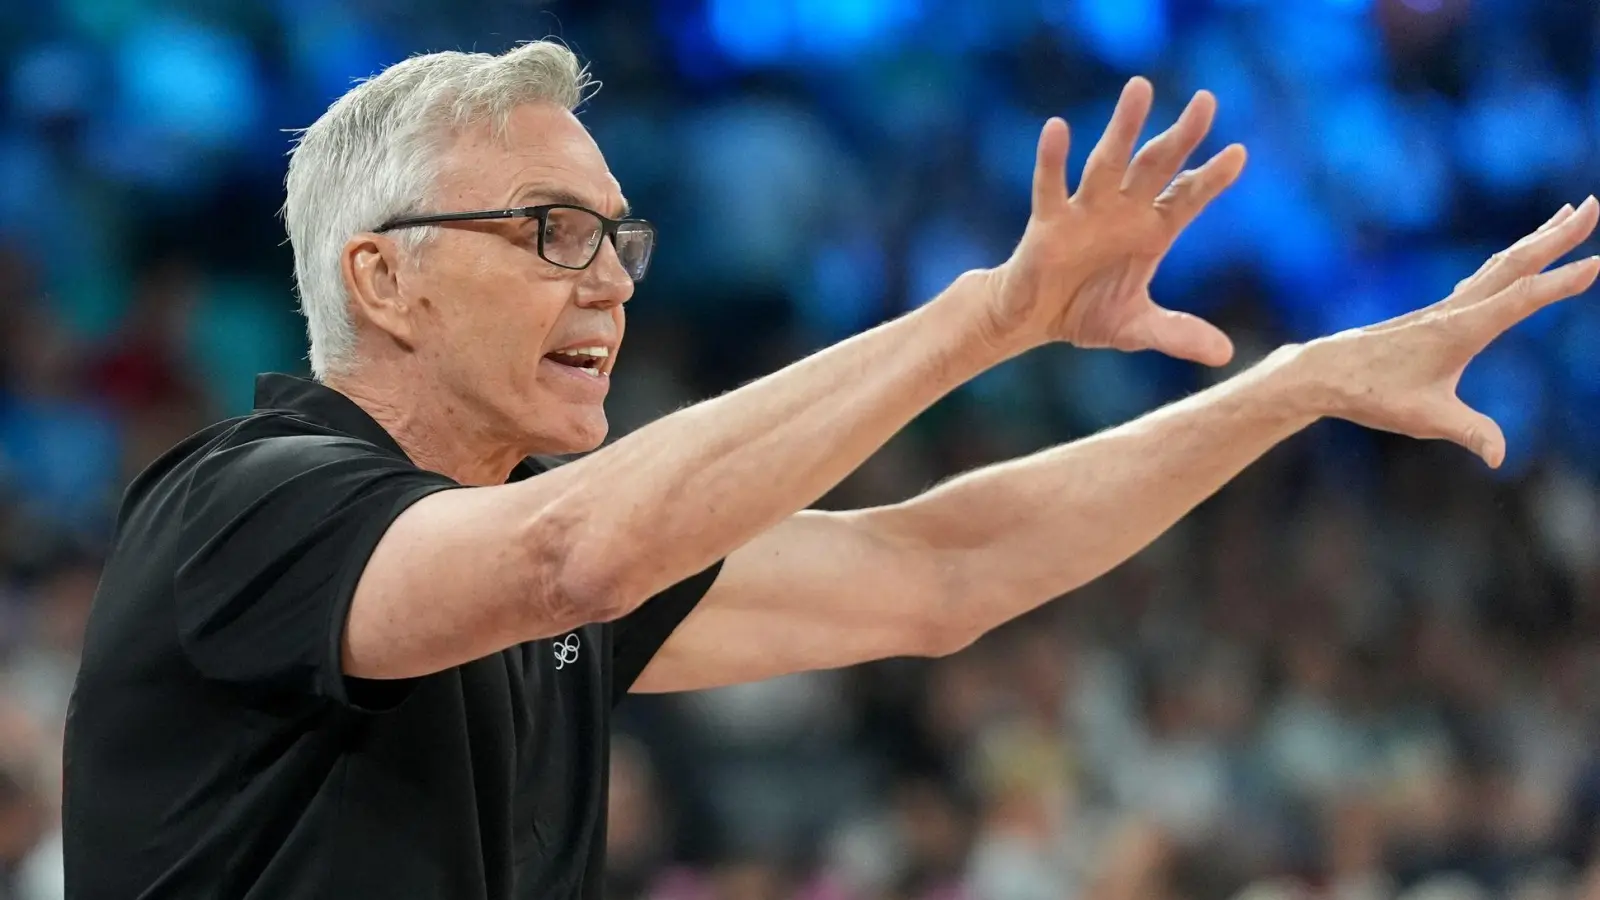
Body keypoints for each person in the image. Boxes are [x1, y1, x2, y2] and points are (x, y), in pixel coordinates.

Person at [58, 39, 1597, 900]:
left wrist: (1293, 388)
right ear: (380, 280)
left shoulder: (519, 546)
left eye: (619, 239)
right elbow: (568, 558)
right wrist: (990, 314)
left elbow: (939, 573)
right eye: (548, 232)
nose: (608, 280)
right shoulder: (240, 506)